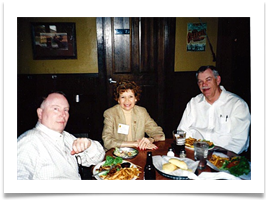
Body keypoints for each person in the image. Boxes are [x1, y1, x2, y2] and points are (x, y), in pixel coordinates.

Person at [17, 92, 105, 180]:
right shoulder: (28, 142)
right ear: (40, 113)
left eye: (66, 110)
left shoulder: (66, 137)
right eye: (56, 109)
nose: (63, 114)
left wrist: (89, 145)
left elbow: (97, 159)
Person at [177, 66, 251, 155]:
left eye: (208, 79)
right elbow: (182, 131)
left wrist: (218, 158)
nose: (204, 84)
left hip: (227, 158)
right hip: (196, 154)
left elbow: (239, 141)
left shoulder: (237, 104)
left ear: (218, 80)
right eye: (200, 82)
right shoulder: (194, 103)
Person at [102, 80, 165, 151]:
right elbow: (107, 141)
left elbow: (159, 133)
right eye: (123, 97)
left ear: (136, 98)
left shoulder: (142, 112)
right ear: (118, 100)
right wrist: (134, 143)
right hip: (117, 153)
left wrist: (151, 139)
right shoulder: (110, 113)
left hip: (138, 151)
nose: (127, 101)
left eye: (130, 96)